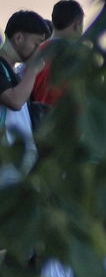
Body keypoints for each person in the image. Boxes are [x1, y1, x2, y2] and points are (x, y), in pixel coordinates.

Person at [0, 10, 49, 176]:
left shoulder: (12, 72)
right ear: (18, 38)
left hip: (16, 166)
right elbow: (14, 101)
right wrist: (33, 70)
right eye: (36, 43)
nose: (38, 50)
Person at [30, 0, 83, 107]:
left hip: (38, 120)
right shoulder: (75, 56)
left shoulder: (33, 54)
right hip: (66, 120)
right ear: (76, 24)